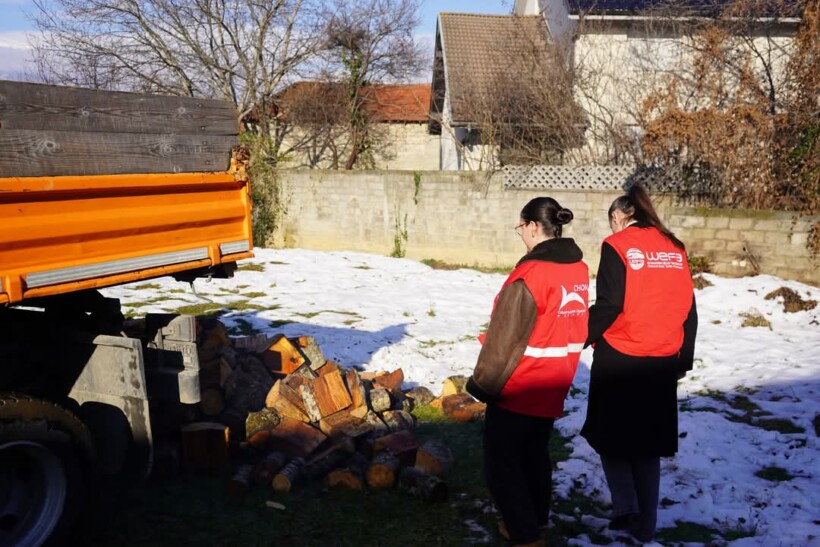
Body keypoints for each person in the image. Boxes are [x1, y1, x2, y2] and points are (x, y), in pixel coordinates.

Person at [466, 197, 589, 547]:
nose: (521, 234)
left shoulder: (530, 274)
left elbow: (505, 339)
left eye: (521, 227)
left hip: (521, 382)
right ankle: (534, 519)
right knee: (535, 456)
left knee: (503, 465)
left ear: (534, 227)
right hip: (556, 379)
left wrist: (483, 385)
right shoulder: (578, 268)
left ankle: (526, 535)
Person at [580, 184, 698, 543]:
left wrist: (575, 336)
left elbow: (610, 305)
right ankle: (646, 525)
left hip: (621, 357)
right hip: (663, 359)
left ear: (618, 217)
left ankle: (625, 507)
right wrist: (684, 359)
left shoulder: (616, 245)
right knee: (648, 444)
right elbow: (689, 309)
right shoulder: (674, 247)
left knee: (610, 436)